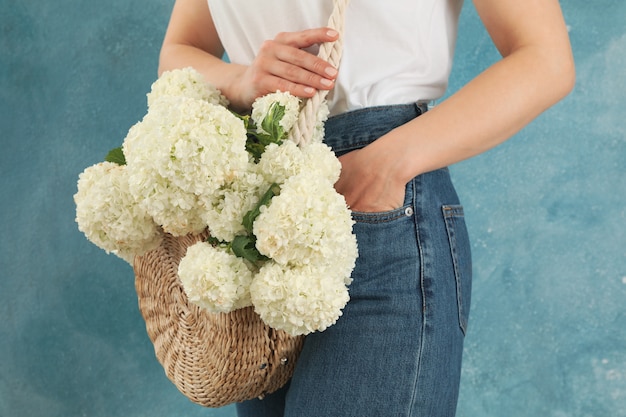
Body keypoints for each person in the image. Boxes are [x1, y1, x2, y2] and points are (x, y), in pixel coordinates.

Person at [158, 1, 575, 416]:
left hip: (381, 205)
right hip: (266, 209)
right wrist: (241, 79)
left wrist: (385, 165)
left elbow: (545, 59)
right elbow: (179, 50)